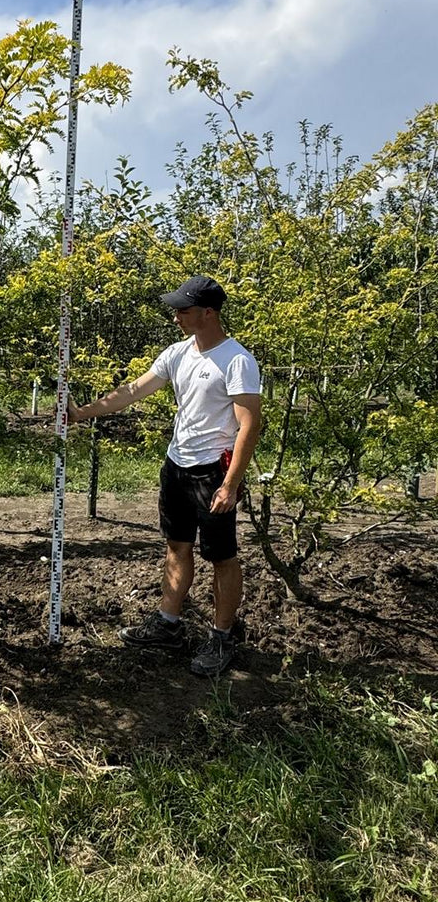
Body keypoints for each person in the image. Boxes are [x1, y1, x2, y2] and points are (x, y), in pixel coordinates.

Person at [68, 275, 262, 676]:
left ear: (209, 313)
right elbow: (132, 391)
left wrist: (230, 485)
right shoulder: (177, 353)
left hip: (213, 473)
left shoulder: (237, 360)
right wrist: (82, 412)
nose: (176, 316)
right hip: (177, 468)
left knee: (222, 558)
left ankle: (222, 637)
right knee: (177, 546)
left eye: (184, 310)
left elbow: (250, 425)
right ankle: (167, 623)